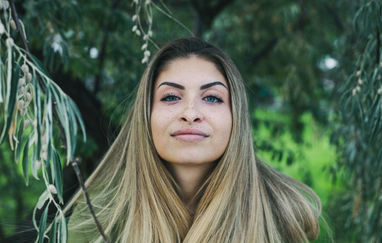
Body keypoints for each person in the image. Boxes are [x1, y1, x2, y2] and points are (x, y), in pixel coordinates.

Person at [66, 37, 321, 242]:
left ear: (236, 116)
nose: (190, 114)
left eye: (211, 98)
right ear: (146, 115)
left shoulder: (285, 211)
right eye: (171, 97)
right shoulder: (99, 215)